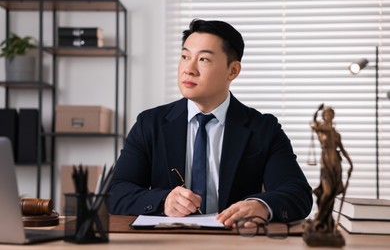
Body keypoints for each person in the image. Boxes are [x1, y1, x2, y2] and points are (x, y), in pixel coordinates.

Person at [108, 19, 313, 226]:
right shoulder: (150, 124)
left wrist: (262, 205)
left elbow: (298, 193)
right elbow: (116, 192)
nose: (189, 69)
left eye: (204, 59)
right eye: (185, 56)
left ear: (232, 71)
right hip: (167, 241)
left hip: (234, 241)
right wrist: (163, 201)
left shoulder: (263, 129)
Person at [311, 104, 353, 232]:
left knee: (333, 194)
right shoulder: (322, 130)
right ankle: (320, 217)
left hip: (336, 166)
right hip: (326, 165)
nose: (328, 116)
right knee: (327, 192)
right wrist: (317, 111)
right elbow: (314, 123)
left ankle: (328, 219)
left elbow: (343, 150)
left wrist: (351, 163)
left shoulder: (336, 134)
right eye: (326, 114)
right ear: (324, 116)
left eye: (330, 114)